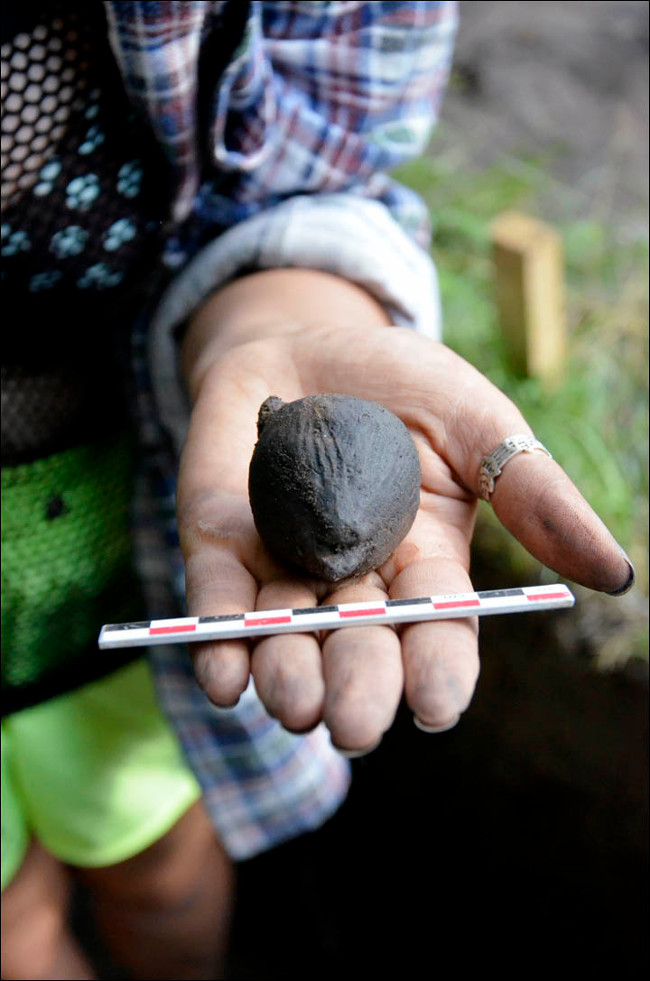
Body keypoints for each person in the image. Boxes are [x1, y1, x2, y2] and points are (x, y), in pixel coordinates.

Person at [1, 2, 634, 979]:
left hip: (121, 544)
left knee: (158, 850)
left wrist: (281, 311)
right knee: (11, 921)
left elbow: (304, 167)